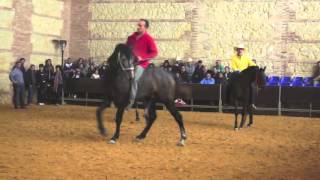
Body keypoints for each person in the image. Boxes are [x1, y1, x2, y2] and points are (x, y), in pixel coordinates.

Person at [126, 19, 158, 109]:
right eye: (138, 25)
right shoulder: (131, 37)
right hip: (129, 63)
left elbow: (154, 52)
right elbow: (126, 49)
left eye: (140, 26)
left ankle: (129, 103)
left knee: (134, 79)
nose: (138, 27)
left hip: (141, 64)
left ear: (145, 27)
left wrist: (142, 58)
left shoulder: (149, 39)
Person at [231, 44, 257, 109]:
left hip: (245, 75)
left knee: (252, 86)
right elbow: (233, 67)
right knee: (229, 83)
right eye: (239, 49)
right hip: (237, 74)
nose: (240, 50)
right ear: (237, 50)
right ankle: (230, 98)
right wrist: (238, 70)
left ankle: (252, 103)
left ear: (243, 50)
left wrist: (256, 67)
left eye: (241, 49)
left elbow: (252, 64)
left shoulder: (246, 57)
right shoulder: (234, 58)